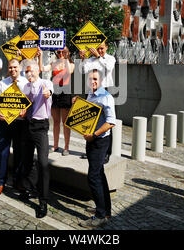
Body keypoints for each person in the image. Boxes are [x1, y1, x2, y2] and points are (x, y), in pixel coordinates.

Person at [76, 69, 116, 228]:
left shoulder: (106, 97)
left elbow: (111, 122)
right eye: (90, 79)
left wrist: (94, 134)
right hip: (92, 140)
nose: (92, 82)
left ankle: (100, 216)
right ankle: (105, 210)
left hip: (100, 141)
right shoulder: (91, 94)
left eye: (95, 79)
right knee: (99, 174)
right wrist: (78, 104)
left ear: (101, 81)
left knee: (93, 177)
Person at [20, 59, 53, 219]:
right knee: (26, 159)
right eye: (26, 72)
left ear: (38, 71)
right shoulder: (26, 86)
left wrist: (48, 93)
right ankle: (30, 188)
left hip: (41, 126)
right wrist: (22, 111)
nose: (29, 74)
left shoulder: (45, 83)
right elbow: (25, 105)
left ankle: (43, 201)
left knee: (43, 162)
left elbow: (49, 93)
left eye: (31, 71)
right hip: (27, 124)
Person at [0, 58, 28, 196]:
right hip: (5, 123)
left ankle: (18, 181)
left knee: (19, 153)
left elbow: (31, 101)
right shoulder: (2, 83)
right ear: (8, 69)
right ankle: (0, 182)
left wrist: (26, 112)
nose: (13, 70)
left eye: (15, 67)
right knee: (3, 153)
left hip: (20, 123)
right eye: (10, 67)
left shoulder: (26, 83)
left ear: (20, 68)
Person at [78, 42, 116, 163]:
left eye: (102, 48)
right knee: (90, 120)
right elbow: (82, 70)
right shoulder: (91, 59)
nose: (99, 51)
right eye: (98, 48)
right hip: (92, 90)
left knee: (107, 122)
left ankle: (106, 153)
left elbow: (108, 68)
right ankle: (90, 148)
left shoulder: (110, 58)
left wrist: (99, 57)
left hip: (105, 90)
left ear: (107, 47)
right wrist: (83, 59)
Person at [39, 47, 75, 156]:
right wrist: (40, 55)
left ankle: (66, 147)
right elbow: (42, 68)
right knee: (55, 122)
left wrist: (65, 59)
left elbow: (69, 71)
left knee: (65, 123)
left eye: (63, 52)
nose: (61, 54)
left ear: (67, 53)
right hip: (55, 93)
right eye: (59, 52)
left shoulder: (70, 63)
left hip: (65, 93)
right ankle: (55, 145)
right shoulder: (54, 63)